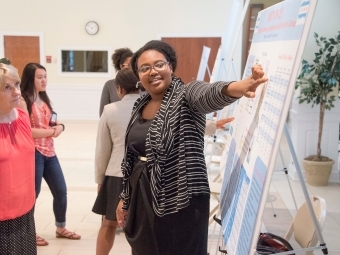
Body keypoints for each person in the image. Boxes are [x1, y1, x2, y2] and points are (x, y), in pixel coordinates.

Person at [116, 40, 267, 255]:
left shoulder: (186, 95)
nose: (153, 72)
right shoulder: (140, 105)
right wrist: (125, 197)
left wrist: (240, 87)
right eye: (145, 68)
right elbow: (132, 156)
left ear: (171, 66)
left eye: (159, 64)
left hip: (180, 197)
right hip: (142, 193)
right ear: (138, 76)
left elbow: (208, 94)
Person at [20, 63, 81, 246]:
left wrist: (60, 127)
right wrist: (50, 131)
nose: (44, 80)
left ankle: (60, 227)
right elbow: (27, 131)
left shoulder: (43, 99)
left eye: (45, 76)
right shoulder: (24, 101)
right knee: (33, 194)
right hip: (34, 153)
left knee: (61, 190)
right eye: (39, 77)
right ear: (30, 79)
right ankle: (29, 232)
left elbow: (52, 121)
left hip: (49, 152)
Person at [92, 68, 141, 255]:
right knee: (140, 227)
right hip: (143, 174)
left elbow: (102, 150)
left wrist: (100, 181)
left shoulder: (110, 110)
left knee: (109, 223)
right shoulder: (152, 106)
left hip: (116, 175)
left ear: (119, 89)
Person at [0, 58, 37, 254]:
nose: (16, 91)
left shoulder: (22, 117)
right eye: (7, 88)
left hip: (25, 211)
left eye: (16, 84)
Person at [99, 47, 133, 116]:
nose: (133, 68)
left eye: (134, 65)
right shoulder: (109, 85)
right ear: (121, 66)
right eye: (129, 65)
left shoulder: (140, 84)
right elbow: (102, 113)